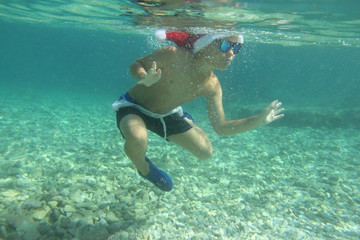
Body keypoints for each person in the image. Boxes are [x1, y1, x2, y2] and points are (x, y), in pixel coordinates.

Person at [112, 30, 284, 192]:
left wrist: (258, 120)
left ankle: (186, 120)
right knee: (137, 138)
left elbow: (221, 127)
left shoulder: (212, 85)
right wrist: (143, 77)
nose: (231, 53)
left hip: (167, 114)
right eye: (225, 45)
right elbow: (137, 64)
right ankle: (145, 169)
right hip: (134, 106)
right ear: (204, 44)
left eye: (236, 47)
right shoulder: (172, 54)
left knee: (205, 152)